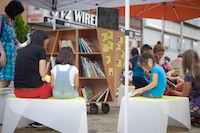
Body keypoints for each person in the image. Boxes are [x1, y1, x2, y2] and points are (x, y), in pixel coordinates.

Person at [14, 30, 51, 99]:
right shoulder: (41, 50)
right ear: (42, 41)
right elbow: (43, 74)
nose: (46, 47)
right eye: (46, 44)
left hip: (18, 92)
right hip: (35, 91)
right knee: (49, 87)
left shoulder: (23, 50)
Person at [167, 50, 200, 127]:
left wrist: (172, 90)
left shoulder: (190, 74)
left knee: (178, 110)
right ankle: (197, 119)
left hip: (197, 106)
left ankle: (197, 118)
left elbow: (184, 94)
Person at [0, 1, 25, 88]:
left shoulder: (11, 21)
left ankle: (3, 101)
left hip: (11, 55)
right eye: (19, 13)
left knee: (8, 80)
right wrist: (2, 53)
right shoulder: (0, 18)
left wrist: (24, 44)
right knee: (2, 80)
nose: (19, 16)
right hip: (3, 53)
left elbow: (14, 40)